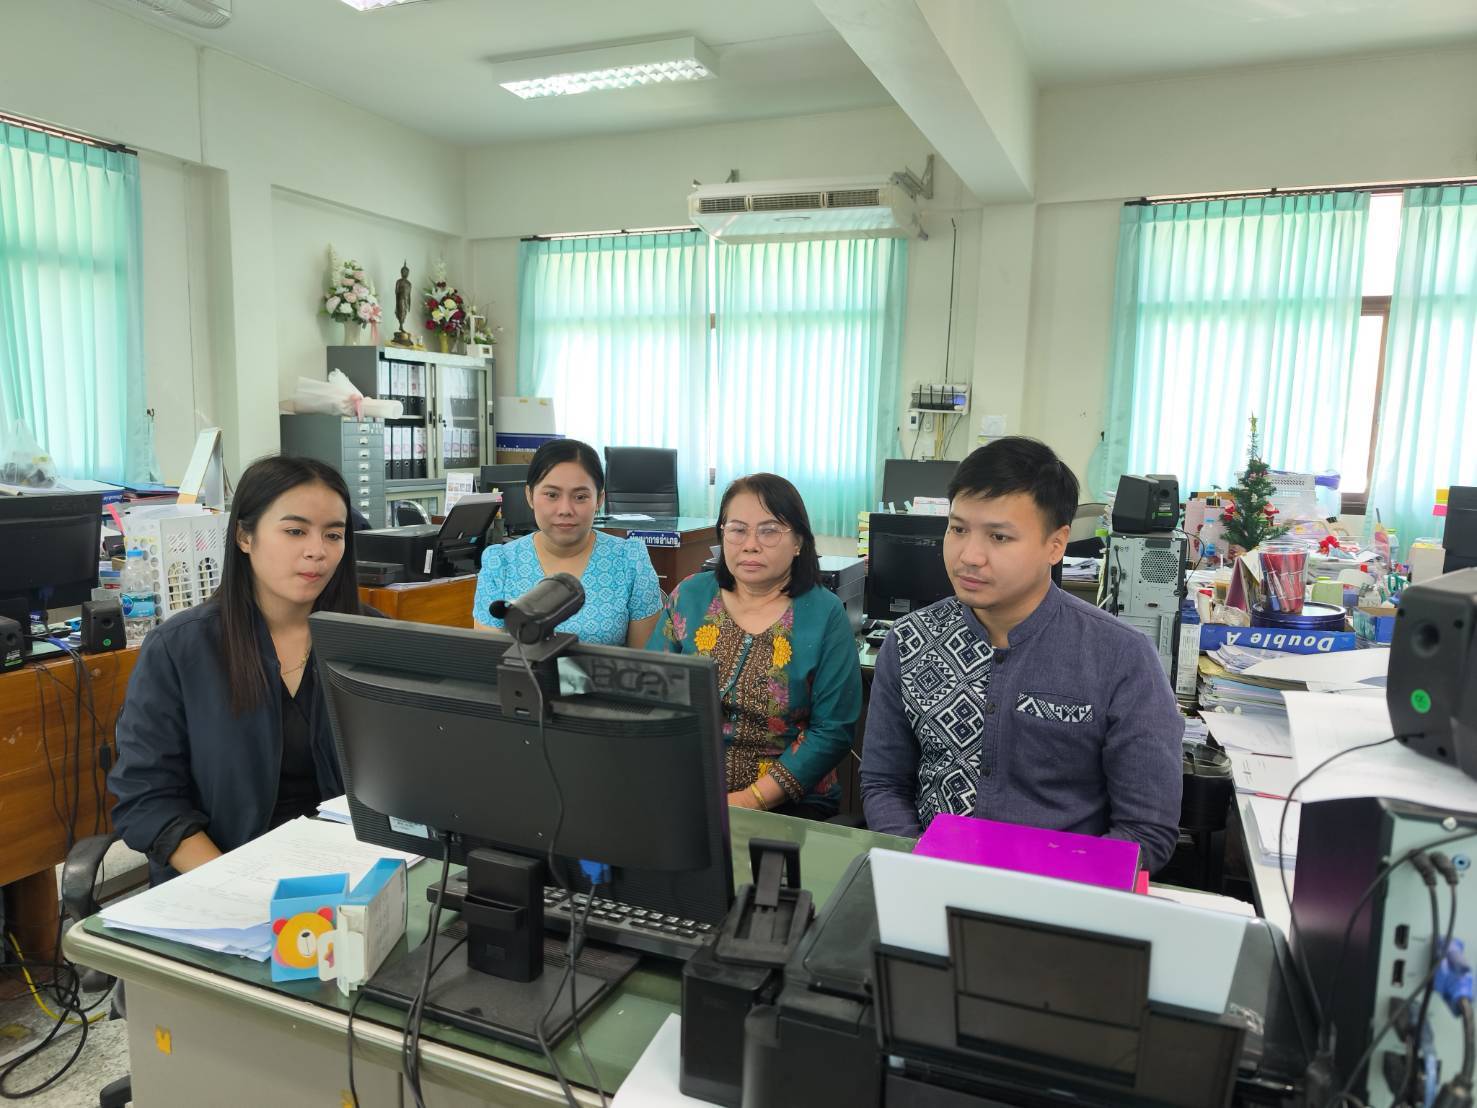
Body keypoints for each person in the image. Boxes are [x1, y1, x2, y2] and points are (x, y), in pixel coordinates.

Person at [860, 437, 1183, 872]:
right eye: (957, 529)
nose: (969, 556)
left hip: (1063, 902)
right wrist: (919, 864)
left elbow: (1147, 831)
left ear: (1056, 544)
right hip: (928, 882)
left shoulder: (1121, 657)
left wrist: (1044, 889)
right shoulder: (909, 641)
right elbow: (883, 784)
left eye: (999, 536)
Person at [109, 456, 377, 884]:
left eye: (334, 534)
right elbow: (147, 797)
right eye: (295, 531)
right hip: (223, 878)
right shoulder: (181, 649)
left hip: (352, 871)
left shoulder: (370, 639)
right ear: (244, 537)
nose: (317, 550)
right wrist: (232, 882)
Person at [649, 474, 861, 819]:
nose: (750, 544)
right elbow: (650, 691)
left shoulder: (825, 614)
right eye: (737, 529)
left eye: (769, 530)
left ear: (798, 542)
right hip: (687, 792)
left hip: (790, 805)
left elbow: (833, 731)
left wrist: (748, 801)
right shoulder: (689, 595)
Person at [474, 439, 661, 647]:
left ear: (599, 500)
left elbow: (645, 666)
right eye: (551, 495)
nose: (565, 509)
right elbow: (490, 663)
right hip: (519, 679)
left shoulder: (630, 560)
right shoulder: (499, 563)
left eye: (580, 497)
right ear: (529, 496)